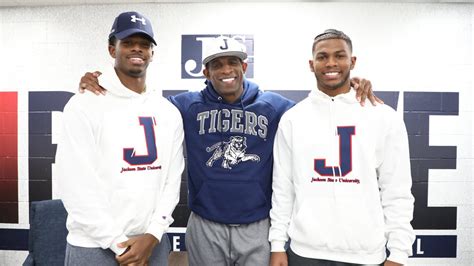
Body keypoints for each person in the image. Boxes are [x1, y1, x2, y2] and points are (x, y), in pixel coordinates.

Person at [78, 36, 380, 266]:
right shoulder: (184, 105)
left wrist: (350, 88)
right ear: (205, 71)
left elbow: (320, 110)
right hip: (206, 224)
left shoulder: (275, 107)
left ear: (243, 67)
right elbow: (139, 104)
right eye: (217, 65)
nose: (226, 70)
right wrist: (100, 84)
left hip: (258, 225)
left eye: (232, 62)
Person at [269, 29, 415, 266]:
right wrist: (277, 243)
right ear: (311, 64)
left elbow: (396, 190)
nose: (331, 63)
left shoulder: (383, 117)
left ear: (352, 61)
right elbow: (283, 188)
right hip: (305, 253)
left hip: (365, 254)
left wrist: (398, 253)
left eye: (340, 55)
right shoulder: (293, 118)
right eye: (322, 57)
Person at [55, 11, 184, 266]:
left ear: (152, 54)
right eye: (127, 42)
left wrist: (154, 234)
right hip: (94, 247)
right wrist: (119, 244)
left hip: (151, 245)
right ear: (112, 49)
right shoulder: (83, 105)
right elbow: (75, 186)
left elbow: (171, 180)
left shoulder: (168, 111)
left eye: (144, 44)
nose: (137, 49)